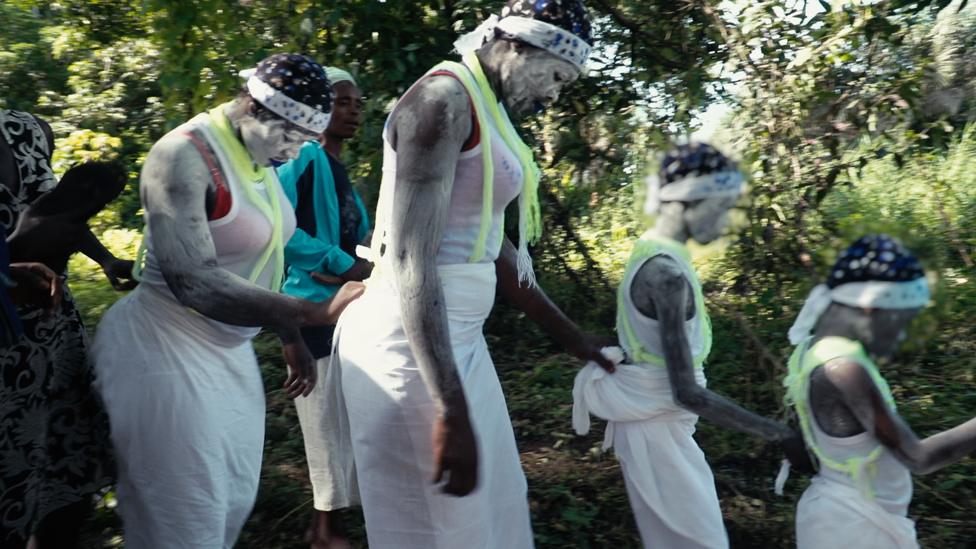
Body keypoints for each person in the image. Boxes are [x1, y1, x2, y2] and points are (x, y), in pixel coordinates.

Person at [326, 1, 613, 546]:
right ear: (517, 46)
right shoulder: (442, 101)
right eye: (554, 75)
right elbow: (412, 258)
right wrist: (448, 408)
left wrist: (573, 338)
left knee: (492, 516)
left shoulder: (486, 105)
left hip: (456, 344)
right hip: (409, 351)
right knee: (442, 528)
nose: (553, 94)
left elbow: (488, 244)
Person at [90, 53, 364, 549]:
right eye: (293, 136)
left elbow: (264, 253)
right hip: (163, 351)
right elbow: (194, 281)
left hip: (228, 354)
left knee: (230, 501)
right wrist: (311, 313)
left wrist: (288, 333)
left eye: (307, 140)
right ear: (258, 110)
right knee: (182, 518)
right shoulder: (183, 157)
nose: (298, 149)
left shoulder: (260, 157)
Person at [572, 143, 810, 549]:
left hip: (655, 428)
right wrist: (779, 434)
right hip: (657, 433)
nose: (726, 221)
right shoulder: (666, 276)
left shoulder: (652, 251)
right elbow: (686, 392)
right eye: (721, 207)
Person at [783, 234, 976, 548]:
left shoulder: (813, 347)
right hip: (853, 528)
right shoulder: (843, 367)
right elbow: (918, 458)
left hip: (841, 518)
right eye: (900, 320)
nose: (899, 335)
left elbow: (804, 449)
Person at [0, 109, 131, 549]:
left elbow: (71, 224)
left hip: (56, 349)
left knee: (68, 481)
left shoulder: (27, 131)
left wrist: (110, 262)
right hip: (6, 362)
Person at [275, 66, 370, 549]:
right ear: (316, 109)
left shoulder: (336, 167)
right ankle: (327, 530)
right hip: (310, 305)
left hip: (346, 305)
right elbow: (280, 227)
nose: (353, 111)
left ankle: (328, 524)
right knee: (324, 418)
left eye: (357, 103)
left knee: (344, 412)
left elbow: (357, 234)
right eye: (341, 102)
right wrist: (340, 263)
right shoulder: (304, 157)